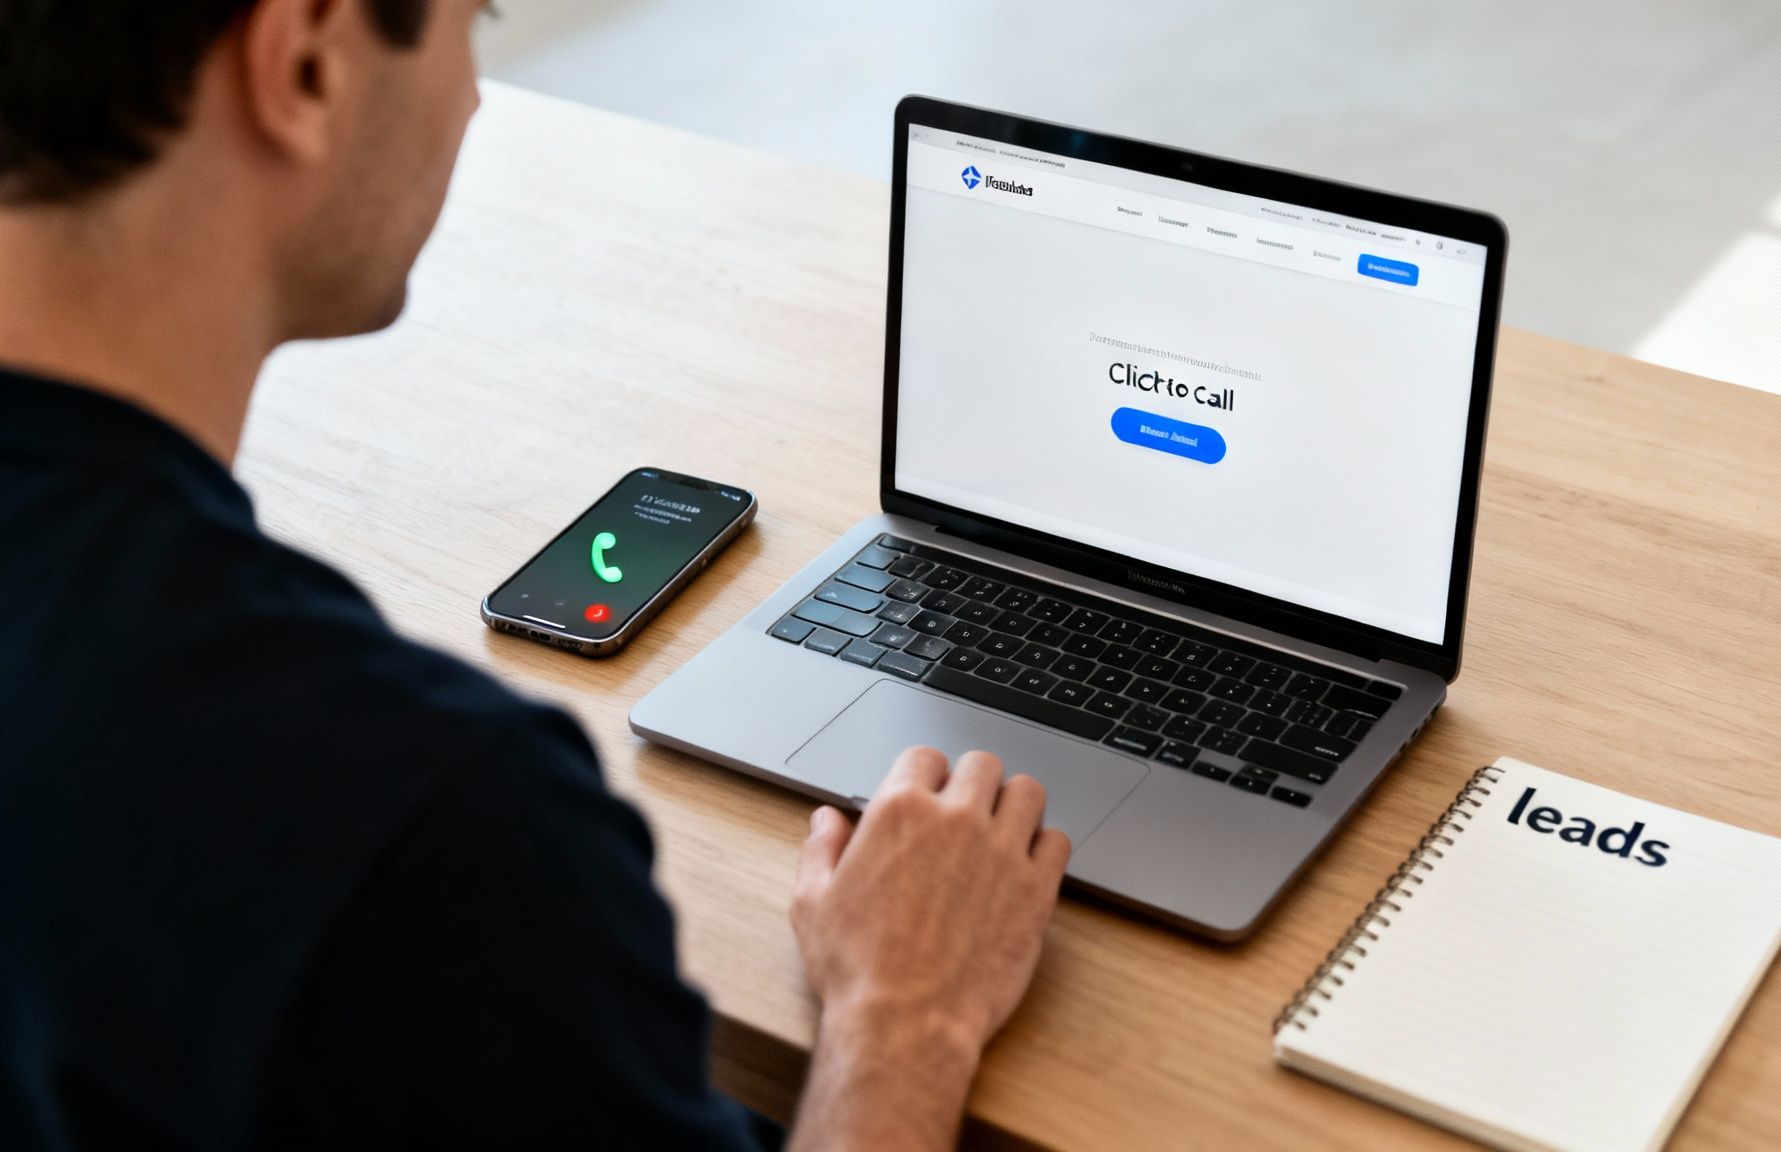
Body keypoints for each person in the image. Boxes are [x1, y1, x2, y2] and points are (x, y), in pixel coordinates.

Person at [0, 3, 1071, 1149]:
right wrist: (904, 1018)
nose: (471, 97)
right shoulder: (423, 821)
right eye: (473, 21)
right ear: (303, 64)